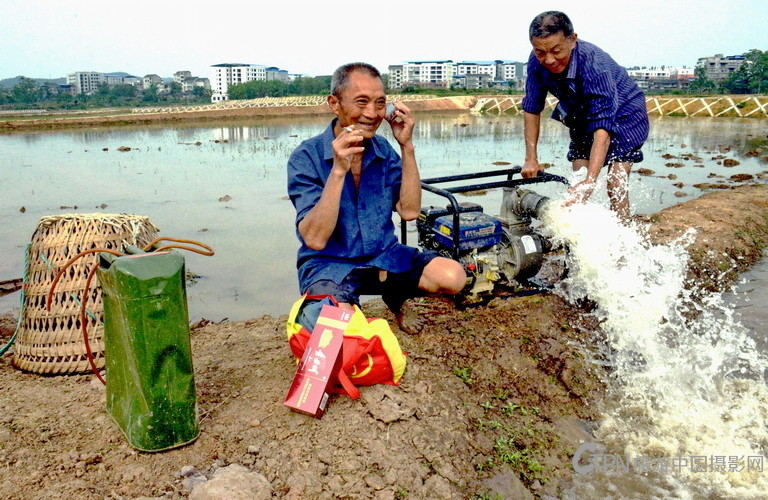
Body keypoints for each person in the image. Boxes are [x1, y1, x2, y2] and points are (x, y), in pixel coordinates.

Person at [287, 62, 466, 333]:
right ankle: (338, 302)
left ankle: (395, 299)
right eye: (361, 102)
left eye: (380, 103)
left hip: (384, 256)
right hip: (330, 263)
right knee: (340, 330)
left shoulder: (383, 150)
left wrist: (406, 146)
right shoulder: (306, 157)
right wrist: (338, 170)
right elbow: (314, 239)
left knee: (453, 276)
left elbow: (409, 212)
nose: (372, 113)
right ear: (334, 104)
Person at [520, 11, 649, 222]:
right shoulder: (536, 62)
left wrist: (591, 180)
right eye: (541, 52)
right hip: (580, 112)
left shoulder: (593, 64)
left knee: (615, 180)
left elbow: (603, 128)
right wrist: (531, 159)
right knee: (578, 176)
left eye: (556, 50)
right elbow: (532, 108)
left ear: (573, 40)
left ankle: (624, 235)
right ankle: (580, 235)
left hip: (625, 111)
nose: (549, 59)